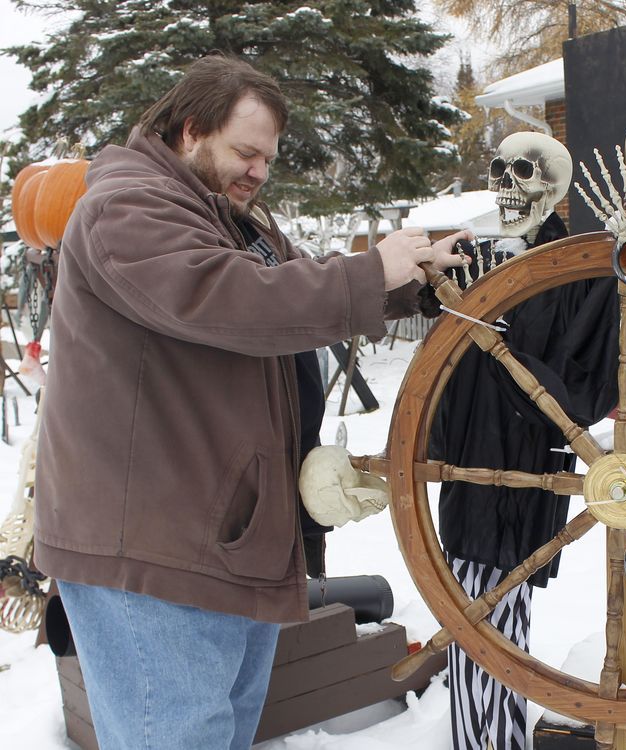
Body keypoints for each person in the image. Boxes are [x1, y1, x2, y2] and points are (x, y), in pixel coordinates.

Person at [32, 54, 469, 750]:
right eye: (245, 152)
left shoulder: (232, 220)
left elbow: (295, 284)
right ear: (189, 130)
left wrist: (403, 281)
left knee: (221, 736)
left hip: (222, 537)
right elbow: (226, 299)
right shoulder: (126, 208)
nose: (258, 171)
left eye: (266, 158)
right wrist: (367, 270)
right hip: (154, 554)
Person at [426, 186, 620, 748]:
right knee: (474, 609)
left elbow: (584, 386)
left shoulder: (574, 270)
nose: (509, 188)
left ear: (554, 188)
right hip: (469, 457)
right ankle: (484, 737)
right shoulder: (486, 260)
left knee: (496, 611)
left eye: (525, 173)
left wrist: (503, 350)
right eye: (499, 173)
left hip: (522, 462)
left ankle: (492, 739)